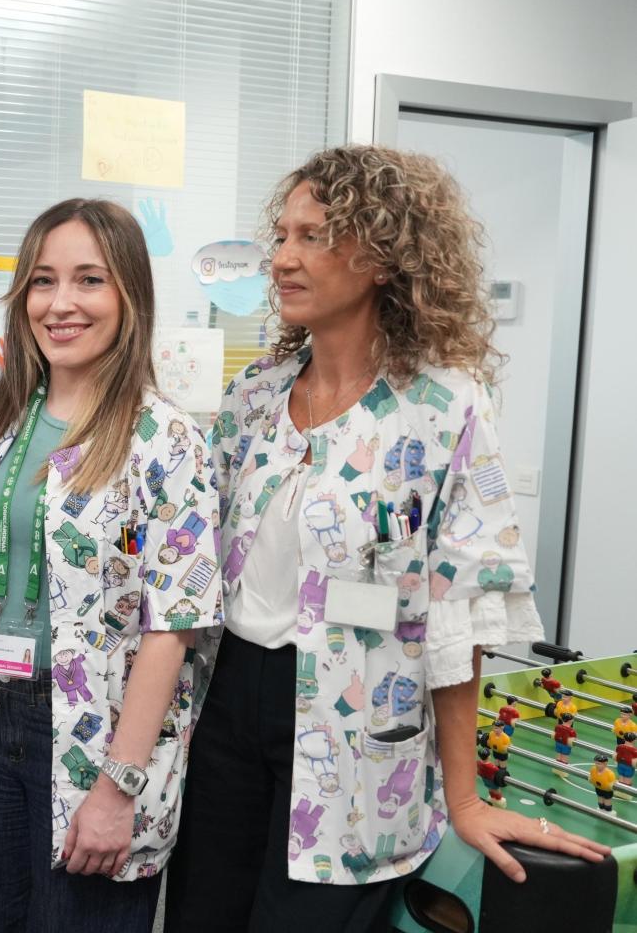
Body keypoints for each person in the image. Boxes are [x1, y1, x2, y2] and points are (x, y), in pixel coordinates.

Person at [165, 145, 609, 932]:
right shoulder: (255, 396)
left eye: (311, 237)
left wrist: (464, 796)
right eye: (280, 236)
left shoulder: (446, 408)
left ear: (377, 255)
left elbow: (462, 611)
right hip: (230, 700)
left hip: (358, 718)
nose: (281, 259)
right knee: (205, 914)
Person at [0, 200, 220, 931]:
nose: (61, 302)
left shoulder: (165, 438)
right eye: (43, 281)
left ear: (129, 293)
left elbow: (176, 626)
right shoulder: (7, 419)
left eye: (88, 280)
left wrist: (117, 786)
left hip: (95, 737)